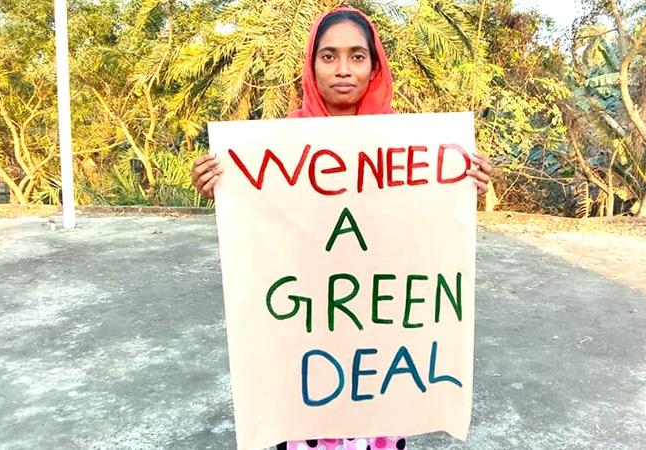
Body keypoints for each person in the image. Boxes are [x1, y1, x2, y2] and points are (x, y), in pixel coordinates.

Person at [190, 7, 493, 450]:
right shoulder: (277, 144)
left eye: (357, 56)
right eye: (328, 57)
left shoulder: (412, 145)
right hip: (307, 335)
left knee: (377, 430)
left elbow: (422, 228)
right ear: (311, 66)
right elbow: (267, 225)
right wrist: (221, 186)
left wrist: (466, 186)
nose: (343, 70)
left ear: (375, 66)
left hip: (380, 342)